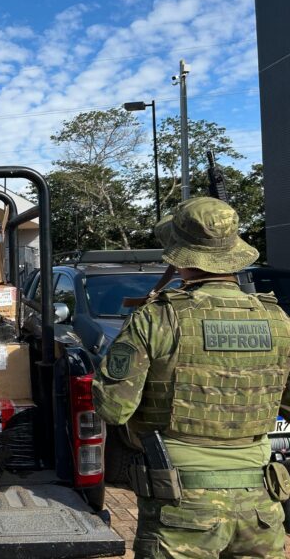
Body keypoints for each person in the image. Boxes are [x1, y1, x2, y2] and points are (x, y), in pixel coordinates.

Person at [93, 197, 290, 559]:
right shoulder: (278, 320)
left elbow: (113, 407)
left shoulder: (157, 319)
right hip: (260, 502)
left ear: (180, 258)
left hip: (181, 504)